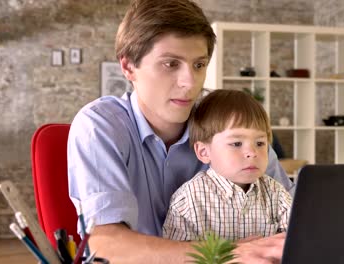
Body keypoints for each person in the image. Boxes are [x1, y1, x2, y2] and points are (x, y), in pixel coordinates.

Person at [67, 0, 295, 263]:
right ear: (129, 67)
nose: (190, 83)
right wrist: (224, 253)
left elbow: (295, 219)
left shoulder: (223, 120)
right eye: (170, 64)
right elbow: (105, 244)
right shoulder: (100, 125)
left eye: (199, 65)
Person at [162, 89, 292, 241]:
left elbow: (297, 243)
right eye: (236, 143)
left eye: (260, 143)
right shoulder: (188, 201)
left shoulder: (277, 194)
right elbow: (177, 257)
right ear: (204, 152)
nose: (252, 152)